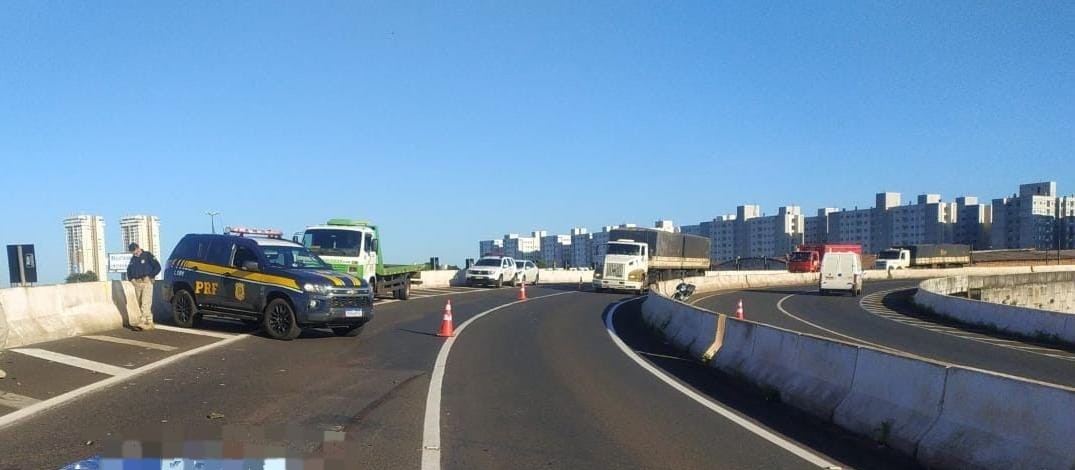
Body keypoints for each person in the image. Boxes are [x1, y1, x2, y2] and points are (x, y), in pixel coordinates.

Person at [126, 243, 161, 331]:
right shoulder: (133, 259)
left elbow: (158, 267)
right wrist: (132, 279)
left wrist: (150, 276)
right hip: (137, 283)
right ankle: (149, 322)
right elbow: (129, 271)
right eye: (133, 252)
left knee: (146, 302)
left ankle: (142, 321)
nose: (135, 254)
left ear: (138, 248)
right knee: (140, 302)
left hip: (146, 282)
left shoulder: (147, 255)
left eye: (135, 251)